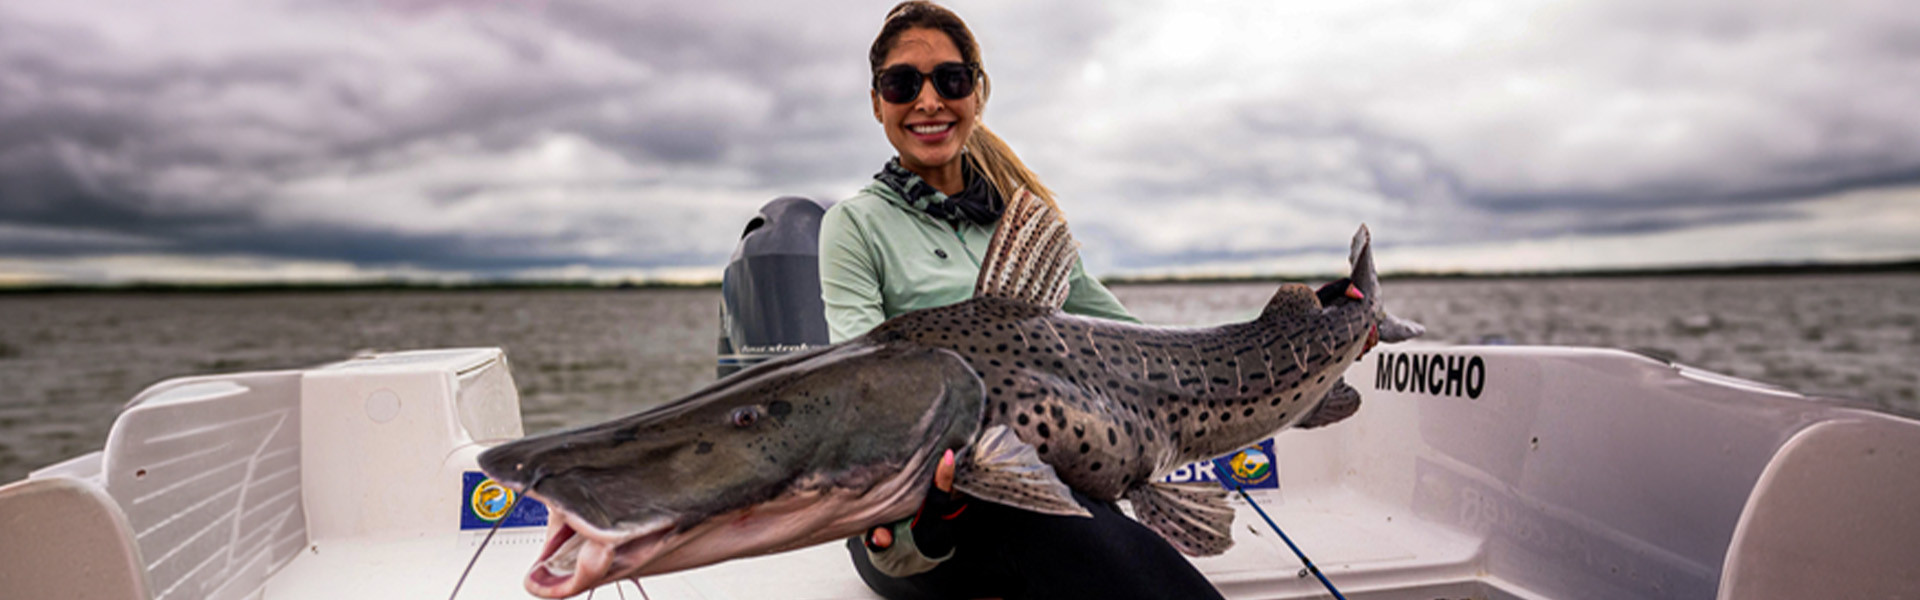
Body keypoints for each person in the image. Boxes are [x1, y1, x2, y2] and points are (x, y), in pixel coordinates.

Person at [817, 2, 1226, 599]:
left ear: (978, 93)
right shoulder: (854, 225)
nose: (928, 101)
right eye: (903, 83)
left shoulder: (1023, 223)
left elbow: (1132, 337)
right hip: (913, 521)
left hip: (1047, 488)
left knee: (1099, 548)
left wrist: (1291, 333)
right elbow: (859, 381)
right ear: (877, 102)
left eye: (950, 80)